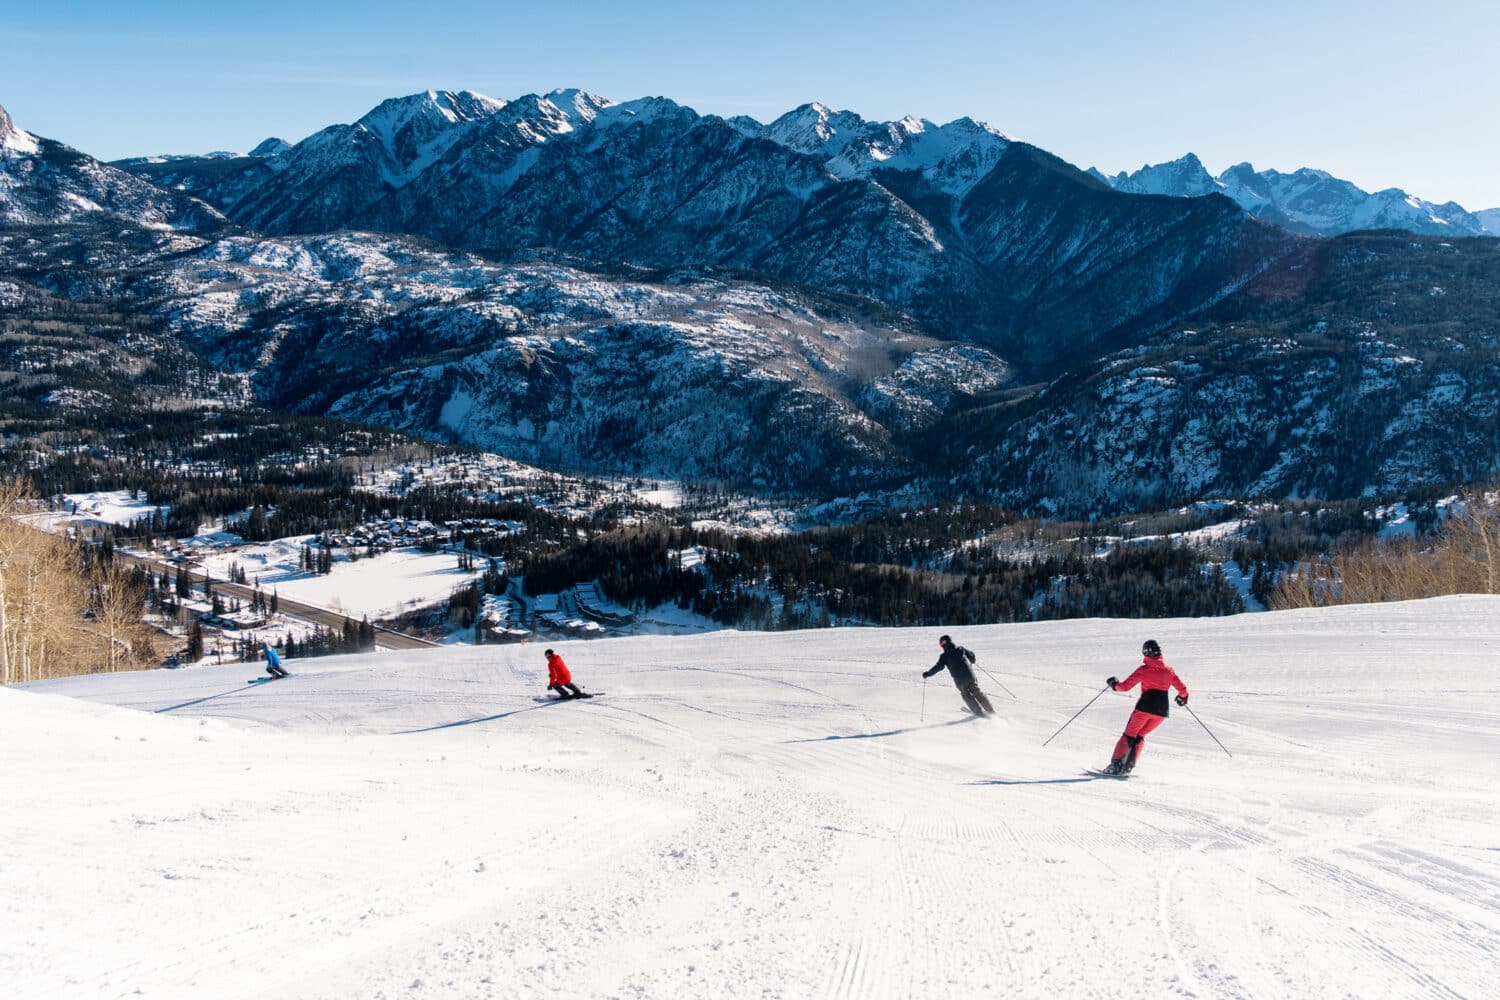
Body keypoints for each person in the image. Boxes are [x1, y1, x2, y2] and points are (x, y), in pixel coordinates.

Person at [1103, 639, 1188, 774]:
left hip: (1145, 707)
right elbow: (1183, 690)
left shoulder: (1144, 670)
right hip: (1161, 711)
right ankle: (1128, 766)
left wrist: (1114, 684)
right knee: (1140, 735)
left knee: (1129, 735)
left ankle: (1115, 766)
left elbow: (1124, 687)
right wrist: (1182, 698)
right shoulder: (1169, 670)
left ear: (1145, 653)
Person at [922, 634, 995, 717]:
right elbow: (971, 654)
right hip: (970, 676)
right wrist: (972, 659)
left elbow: (938, 667)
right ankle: (991, 712)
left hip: (959, 681)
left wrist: (928, 674)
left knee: (966, 695)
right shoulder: (961, 649)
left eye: (941, 645)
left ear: (943, 644)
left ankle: (980, 714)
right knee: (977, 692)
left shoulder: (944, 656)